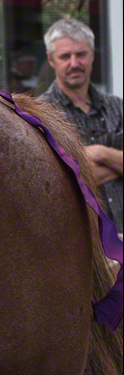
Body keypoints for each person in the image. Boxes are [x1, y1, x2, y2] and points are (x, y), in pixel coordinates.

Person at [39, 17, 122, 234]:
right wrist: (118, 165)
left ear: (92, 56)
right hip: (82, 243)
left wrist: (101, 154)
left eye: (81, 54)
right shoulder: (42, 115)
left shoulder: (118, 107)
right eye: (65, 56)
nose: (74, 63)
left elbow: (78, 173)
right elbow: (59, 182)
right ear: (51, 59)